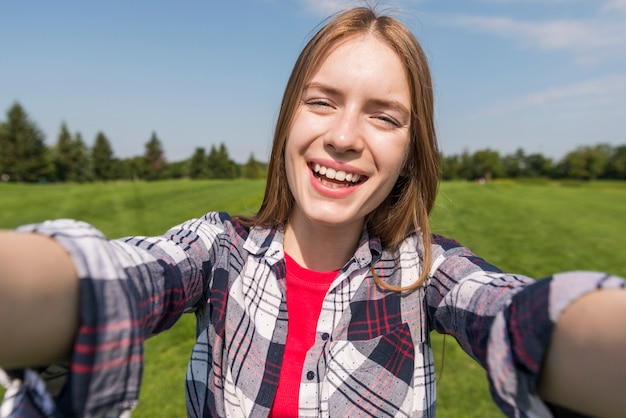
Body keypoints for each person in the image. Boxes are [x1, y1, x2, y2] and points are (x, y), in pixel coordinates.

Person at [1, 6, 625, 418]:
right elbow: (113, 279)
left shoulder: (424, 272)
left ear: (411, 150)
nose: (346, 136)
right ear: (288, 121)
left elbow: (514, 313)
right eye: (323, 102)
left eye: (384, 115)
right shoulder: (216, 250)